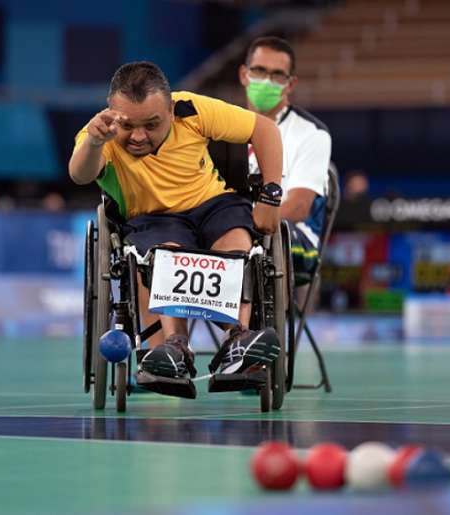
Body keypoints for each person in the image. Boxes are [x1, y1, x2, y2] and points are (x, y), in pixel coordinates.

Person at [69, 61, 284, 395]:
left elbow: (265, 129)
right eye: (128, 126)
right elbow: (79, 174)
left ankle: (238, 340)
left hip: (213, 205)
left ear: (170, 110)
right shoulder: (100, 134)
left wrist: (270, 196)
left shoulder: (191, 109)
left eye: (152, 124)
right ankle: (175, 347)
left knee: (236, 242)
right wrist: (95, 142)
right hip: (154, 219)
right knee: (166, 255)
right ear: (113, 115)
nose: (138, 136)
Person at [238, 36, 332, 285]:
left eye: (277, 75)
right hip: (232, 232)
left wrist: (241, 226)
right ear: (243, 74)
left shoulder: (312, 134)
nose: (267, 81)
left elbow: (298, 208)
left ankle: (252, 324)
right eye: (259, 71)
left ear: (290, 85)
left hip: (294, 240)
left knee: (267, 238)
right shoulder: (222, 127)